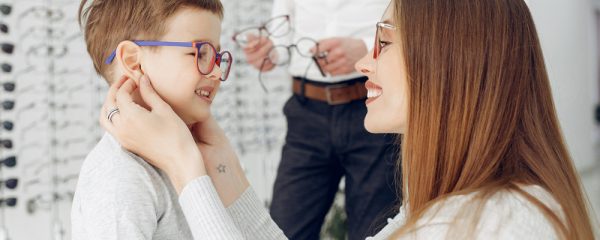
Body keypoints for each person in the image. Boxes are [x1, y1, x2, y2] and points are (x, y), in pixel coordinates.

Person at [100, 0, 596, 239]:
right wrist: (221, 168)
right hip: (308, 110)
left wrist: (188, 170)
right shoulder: (434, 215)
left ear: (447, 62)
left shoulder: (489, 224)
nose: (365, 63)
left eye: (383, 41)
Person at [71, 0, 232, 239]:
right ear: (133, 61)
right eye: (200, 53)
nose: (217, 73)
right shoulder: (121, 176)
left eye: (217, 57)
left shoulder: (198, 154)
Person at [239, 0, 399, 238]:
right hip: (306, 114)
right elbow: (282, 33)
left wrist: (369, 47)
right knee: (283, 232)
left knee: (376, 234)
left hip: (373, 104)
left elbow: (417, 24)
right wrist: (269, 50)